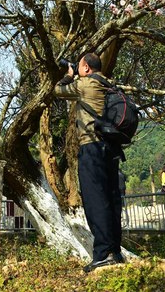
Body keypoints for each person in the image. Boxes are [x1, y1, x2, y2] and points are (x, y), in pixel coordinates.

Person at [54, 53, 124, 272]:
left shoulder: (84, 84)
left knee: (95, 200)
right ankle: (115, 251)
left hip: (92, 147)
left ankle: (102, 254)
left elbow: (57, 91)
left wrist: (68, 75)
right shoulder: (110, 83)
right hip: (111, 149)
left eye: (80, 65)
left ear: (85, 67)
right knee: (111, 198)